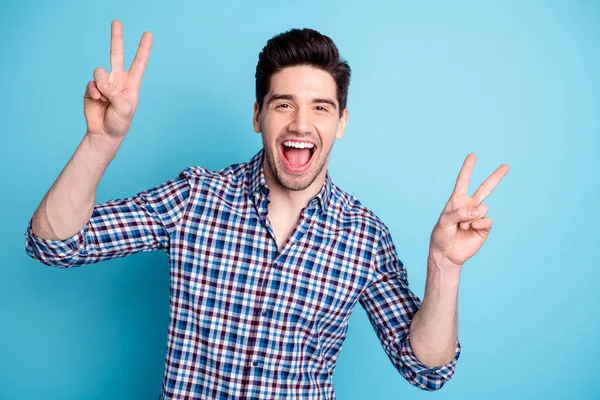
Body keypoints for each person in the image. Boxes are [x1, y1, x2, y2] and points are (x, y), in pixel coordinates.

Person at [25, 20, 509, 400]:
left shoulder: (364, 236)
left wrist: (444, 266)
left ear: (341, 123)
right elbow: (54, 244)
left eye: (321, 107)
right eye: (283, 105)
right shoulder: (196, 198)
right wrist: (100, 142)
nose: (301, 123)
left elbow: (425, 368)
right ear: (257, 115)